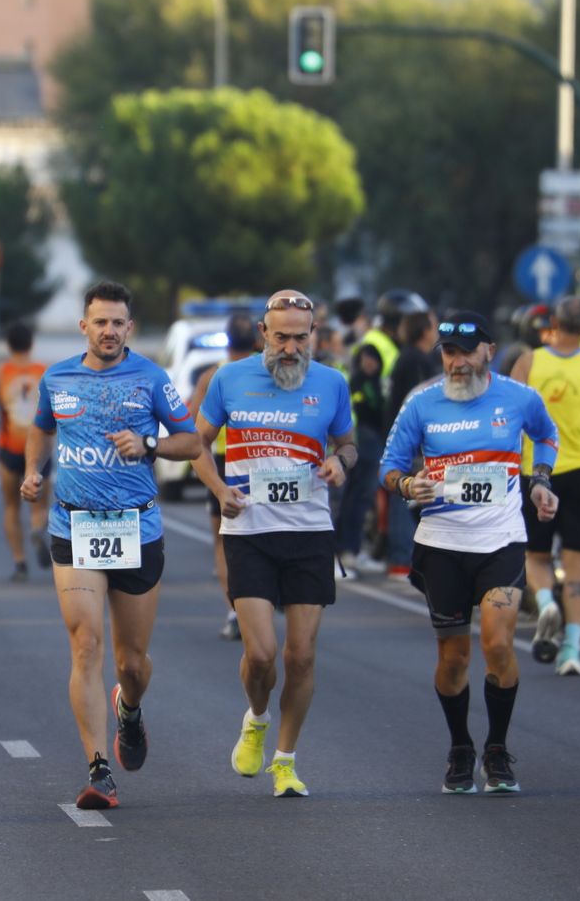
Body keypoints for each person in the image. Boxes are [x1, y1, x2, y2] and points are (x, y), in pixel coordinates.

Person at [19, 280, 201, 810]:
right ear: (84, 326)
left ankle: (131, 709)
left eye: (118, 322)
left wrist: (148, 443)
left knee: (132, 663)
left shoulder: (151, 377)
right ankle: (99, 769)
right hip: (74, 527)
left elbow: (191, 442)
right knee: (85, 644)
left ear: (130, 328)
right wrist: (34, 471)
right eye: (100, 321)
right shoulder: (58, 377)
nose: (109, 331)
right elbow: (40, 430)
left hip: (136, 528)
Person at [380, 311, 559, 795]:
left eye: (465, 351)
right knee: (453, 657)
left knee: (498, 643)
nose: (456, 362)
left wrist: (540, 480)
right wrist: (406, 485)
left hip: (501, 538)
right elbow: (390, 465)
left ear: (489, 352)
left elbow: (547, 435)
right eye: (448, 352)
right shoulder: (421, 402)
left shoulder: (519, 398)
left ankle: (496, 749)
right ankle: (461, 745)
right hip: (442, 545)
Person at [195, 291, 355, 798]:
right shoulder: (230, 379)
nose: (290, 347)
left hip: (309, 534)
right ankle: (257, 718)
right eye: (280, 336)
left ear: (314, 337)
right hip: (250, 533)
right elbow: (195, 442)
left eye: (300, 337)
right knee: (261, 654)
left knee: (301, 656)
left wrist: (340, 463)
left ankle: (284, 761)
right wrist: (220, 491)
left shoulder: (331, 384)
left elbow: (348, 444)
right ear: (264, 333)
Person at [509, 296, 580, 676]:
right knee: (577, 563)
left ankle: (544, 600)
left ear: (552, 323)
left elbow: (510, 410)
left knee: (536, 556)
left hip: (535, 472)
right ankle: (571, 648)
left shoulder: (529, 361)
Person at [187, 312, 261, 640]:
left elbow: (190, 427)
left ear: (228, 341)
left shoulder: (213, 376)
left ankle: (234, 610)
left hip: (222, 461)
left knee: (223, 539)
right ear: (258, 339)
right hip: (264, 459)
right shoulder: (268, 369)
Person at [382, 309, 441, 577]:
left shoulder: (407, 357)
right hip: (409, 442)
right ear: (424, 330)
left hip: (401, 436)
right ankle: (402, 558)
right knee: (405, 497)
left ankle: (408, 558)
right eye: (433, 325)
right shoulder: (416, 360)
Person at [0, 321, 51, 579]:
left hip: (9, 449)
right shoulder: (44, 373)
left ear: (8, 344)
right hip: (40, 451)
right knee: (39, 505)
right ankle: (38, 529)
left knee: (11, 507)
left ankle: (19, 562)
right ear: (31, 343)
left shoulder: (0, 374)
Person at [335, 343, 388, 577]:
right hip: (354, 446)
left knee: (360, 501)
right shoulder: (354, 382)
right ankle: (340, 553)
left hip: (369, 447)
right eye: (365, 359)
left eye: (373, 358)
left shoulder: (378, 384)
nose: (370, 364)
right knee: (345, 501)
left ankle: (351, 552)